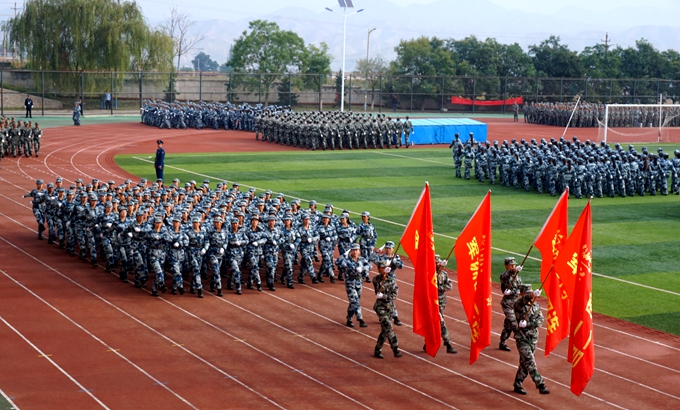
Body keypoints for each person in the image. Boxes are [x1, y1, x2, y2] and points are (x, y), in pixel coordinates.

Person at [513, 284, 550, 395]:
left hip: (533, 339)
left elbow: (540, 320)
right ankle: (541, 384)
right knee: (530, 361)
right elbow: (523, 300)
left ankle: (517, 383)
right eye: (527, 293)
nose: (530, 295)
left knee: (525, 364)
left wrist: (528, 324)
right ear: (522, 293)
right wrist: (531, 295)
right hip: (522, 339)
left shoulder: (535, 306)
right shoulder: (518, 305)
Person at [372, 257, 402, 359]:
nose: (384, 269)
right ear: (378, 269)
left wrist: (384, 296)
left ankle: (377, 349)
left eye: (385, 267)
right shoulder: (376, 279)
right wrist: (383, 276)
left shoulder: (392, 280)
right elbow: (378, 284)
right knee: (388, 327)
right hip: (380, 307)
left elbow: (394, 295)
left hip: (390, 307)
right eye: (382, 267)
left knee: (385, 331)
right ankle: (396, 348)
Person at [336, 243, 371, 328]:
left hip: (359, 282)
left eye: (356, 250)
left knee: (354, 302)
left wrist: (362, 268)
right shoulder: (347, 260)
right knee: (355, 301)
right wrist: (343, 255)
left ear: (359, 251)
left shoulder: (362, 259)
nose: (355, 252)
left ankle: (349, 318)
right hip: (350, 282)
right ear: (350, 251)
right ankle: (360, 319)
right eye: (353, 250)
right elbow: (338, 263)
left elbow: (369, 266)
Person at [499, 256, 523, 351]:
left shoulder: (518, 278)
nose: (513, 266)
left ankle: (502, 342)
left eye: (514, 265)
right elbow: (506, 275)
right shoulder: (504, 276)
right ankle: (521, 342)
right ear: (506, 266)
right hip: (507, 303)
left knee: (508, 325)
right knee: (514, 323)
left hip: (515, 303)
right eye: (511, 265)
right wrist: (513, 271)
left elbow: (520, 290)